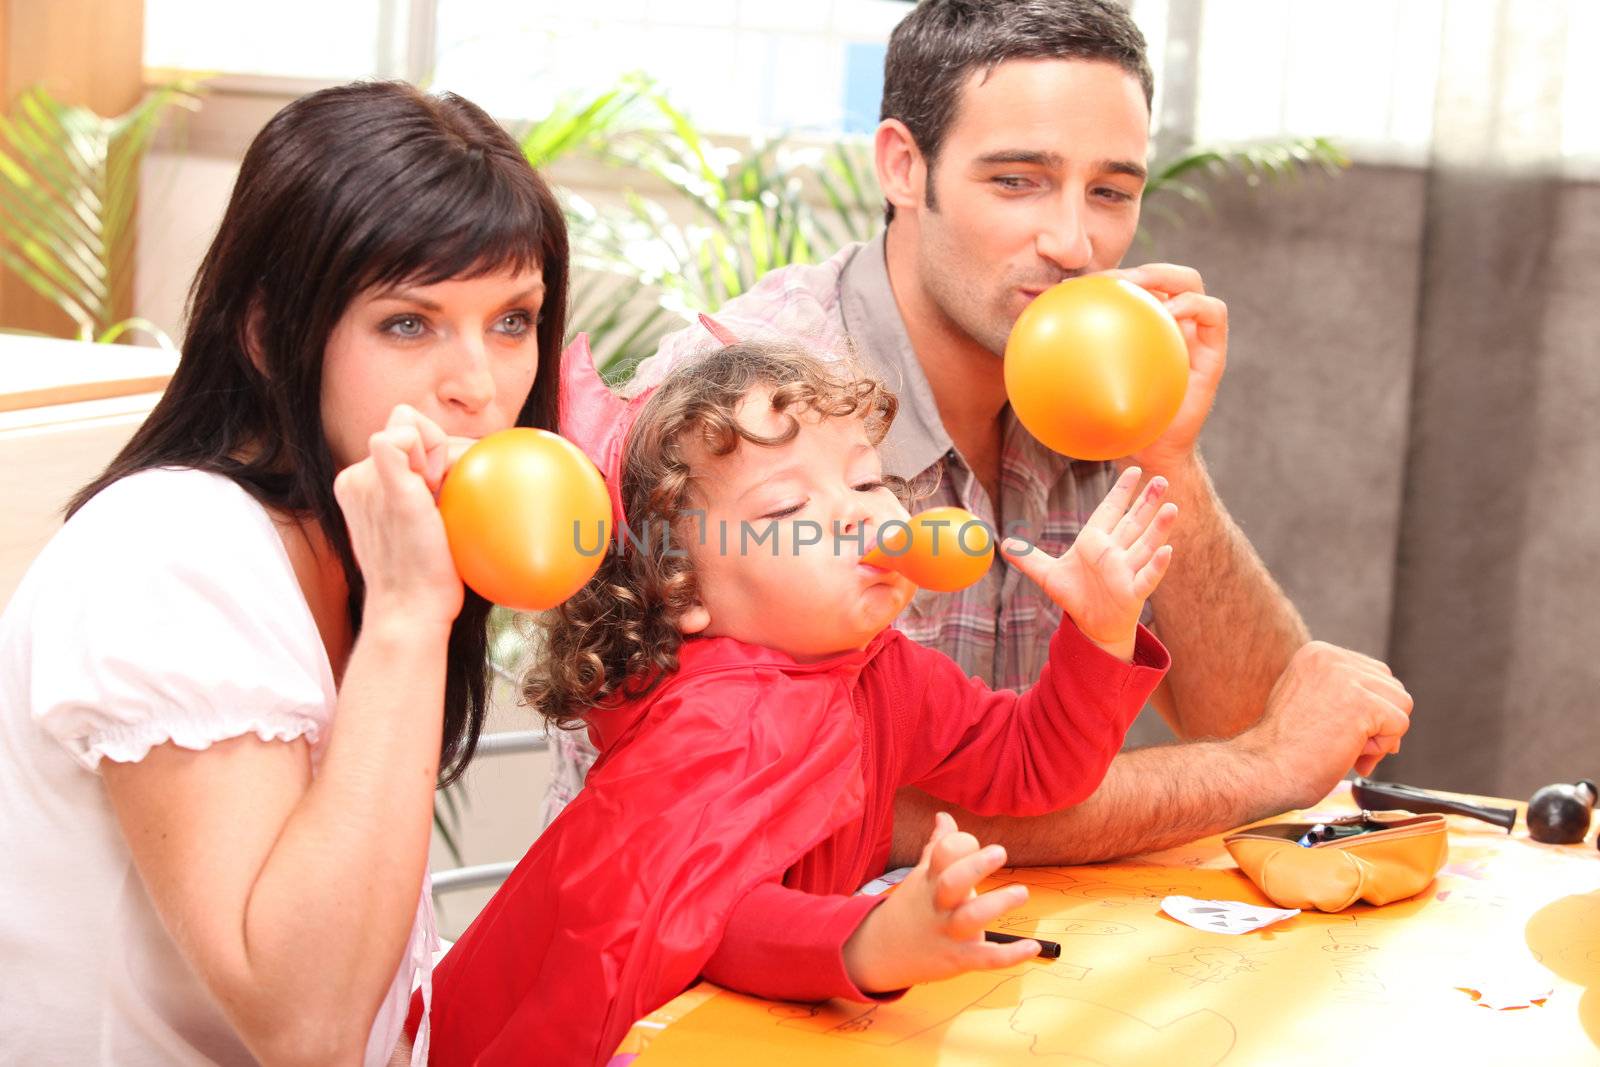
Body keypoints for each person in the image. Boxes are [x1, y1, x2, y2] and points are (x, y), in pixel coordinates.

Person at [545, 0, 1414, 865]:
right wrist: (1258, 770)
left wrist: (1165, 454)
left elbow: (1258, 721)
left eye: (1110, 192)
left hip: (996, 965)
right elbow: (839, 814)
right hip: (706, 979)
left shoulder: (1092, 376)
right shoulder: (734, 410)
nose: (1075, 243)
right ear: (902, 167)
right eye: (1017, 181)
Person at [0, 81, 569, 1066]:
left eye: (511, 321)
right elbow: (305, 1024)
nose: (478, 384)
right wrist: (405, 617)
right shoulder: (170, 553)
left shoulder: (352, 534)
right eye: (410, 323)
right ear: (268, 333)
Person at [423, 338, 1175, 1065]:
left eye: (867, 480)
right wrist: (866, 940)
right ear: (681, 591)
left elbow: (1035, 767)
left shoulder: (883, 672)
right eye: (786, 511)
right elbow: (710, 922)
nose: (857, 515)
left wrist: (1100, 631)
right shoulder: (711, 723)